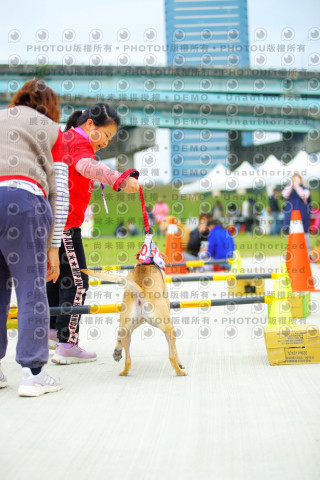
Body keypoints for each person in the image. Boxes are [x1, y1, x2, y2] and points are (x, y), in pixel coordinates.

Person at [47, 103, 140, 364]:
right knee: (77, 283)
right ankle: (68, 343)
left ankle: (54, 332)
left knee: (54, 277)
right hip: (64, 224)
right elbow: (87, 166)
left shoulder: (64, 139)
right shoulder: (79, 142)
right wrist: (119, 179)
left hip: (50, 221)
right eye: (107, 135)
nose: (107, 143)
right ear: (90, 125)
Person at [0, 79, 69, 396]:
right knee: (31, 290)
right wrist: (54, 247)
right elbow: (60, 191)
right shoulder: (54, 130)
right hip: (25, 202)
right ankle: (33, 374)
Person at [282, 173, 312, 254]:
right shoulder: (289, 189)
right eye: (294, 179)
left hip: (302, 217)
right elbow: (284, 194)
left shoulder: (305, 190)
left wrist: (297, 187)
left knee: (305, 235)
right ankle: (292, 253)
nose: (295, 181)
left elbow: (303, 195)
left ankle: (308, 253)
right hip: (291, 217)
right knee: (291, 235)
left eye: (297, 179)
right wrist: (291, 185)